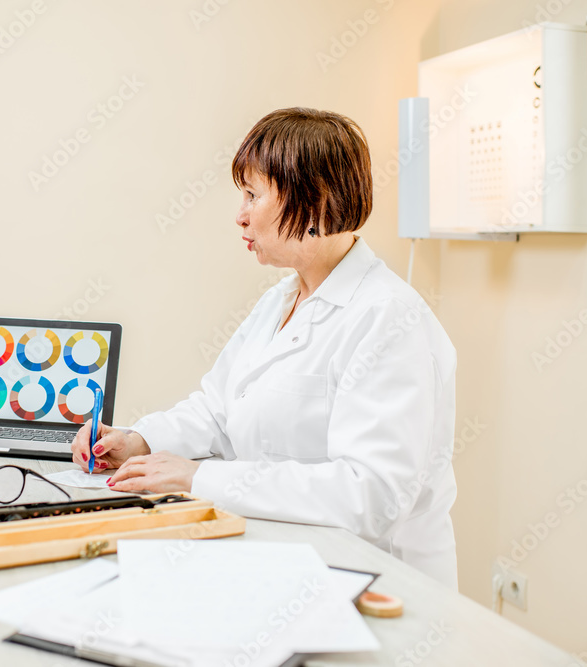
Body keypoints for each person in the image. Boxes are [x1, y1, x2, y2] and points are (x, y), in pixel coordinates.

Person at [72, 108, 459, 588]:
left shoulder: (390, 319)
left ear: (314, 201)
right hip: (285, 566)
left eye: (253, 195)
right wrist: (139, 442)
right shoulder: (281, 300)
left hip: (378, 586)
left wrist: (198, 479)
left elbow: (369, 495)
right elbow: (218, 409)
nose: (240, 214)